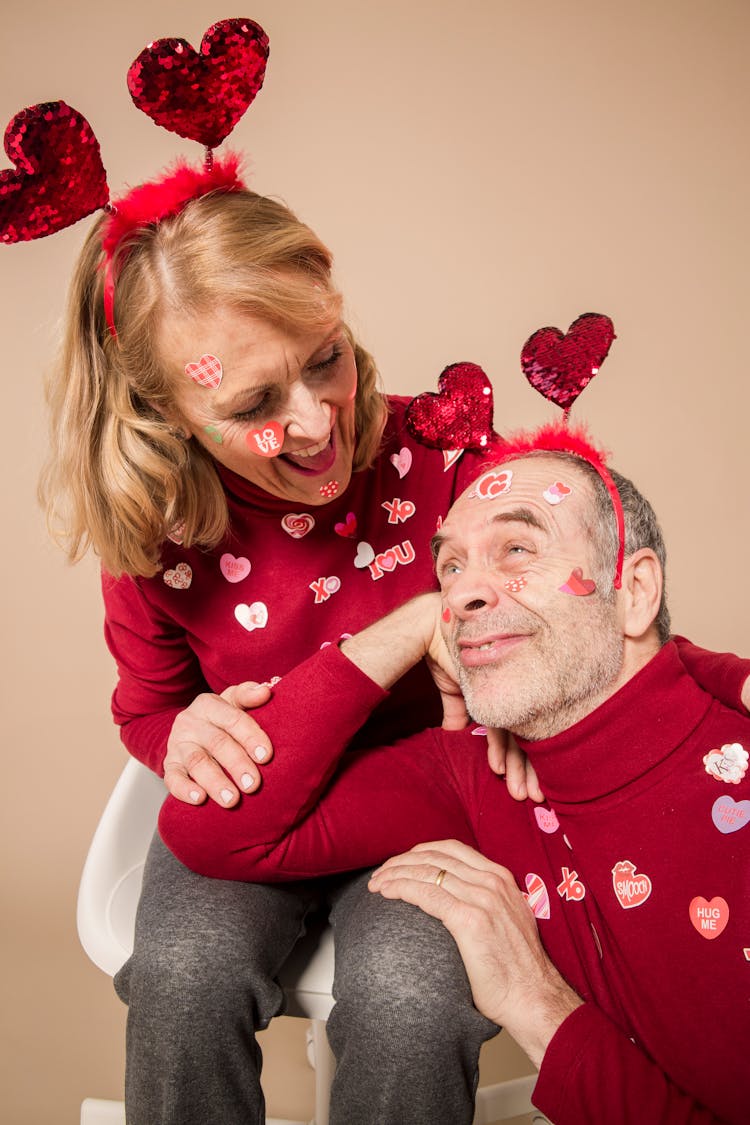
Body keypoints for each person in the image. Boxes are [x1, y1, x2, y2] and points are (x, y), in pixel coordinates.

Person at [38, 153, 543, 1125]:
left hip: (423, 798)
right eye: (253, 405)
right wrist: (179, 735)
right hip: (253, 800)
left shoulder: (439, 459)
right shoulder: (159, 539)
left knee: (412, 1005)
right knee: (182, 980)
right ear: (165, 416)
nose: (315, 423)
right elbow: (149, 706)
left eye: (326, 358)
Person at [158, 440, 750, 1124]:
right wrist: (407, 626)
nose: (461, 594)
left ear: (635, 590)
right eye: (450, 567)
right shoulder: (477, 772)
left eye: (518, 550)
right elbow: (213, 830)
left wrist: (536, 1004)